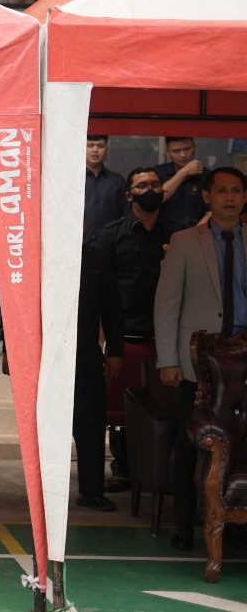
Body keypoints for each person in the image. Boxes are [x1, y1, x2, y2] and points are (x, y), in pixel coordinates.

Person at [154, 166, 247, 551]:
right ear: (207, 196)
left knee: (240, 443)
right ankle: (184, 523)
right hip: (197, 362)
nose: (230, 197)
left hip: (243, 361)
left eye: (236, 190)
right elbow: (166, 304)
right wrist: (167, 359)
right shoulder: (184, 241)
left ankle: (235, 523)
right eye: (222, 190)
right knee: (190, 441)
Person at [96, 167, 179, 492]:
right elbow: (101, 290)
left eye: (156, 184)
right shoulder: (112, 234)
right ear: (129, 194)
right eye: (143, 185)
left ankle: (159, 472)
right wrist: (103, 339)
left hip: (166, 339)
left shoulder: (178, 234)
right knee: (122, 409)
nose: (151, 189)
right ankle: (123, 470)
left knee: (164, 408)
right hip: (124, 336)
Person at [73, 245, 124, 512]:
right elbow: (17, 302)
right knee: (45, 427)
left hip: (86, 354)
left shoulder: (95, 259)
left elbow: (112, 308)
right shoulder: (38, 254)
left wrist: (115, 351)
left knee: (91, 424)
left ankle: (91, 492)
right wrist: (10, 347)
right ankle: (43, 491)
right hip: (46, 357)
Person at [156, 136, 209, 230]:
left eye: (187, 149)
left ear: (194, 147)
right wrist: (184, 172)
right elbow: (156, 198)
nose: (183, 155)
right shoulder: (158, 173)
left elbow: (211, 212)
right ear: (168, 152)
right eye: (176, 151)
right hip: (163, 232)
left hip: (197, 232)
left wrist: (194, 234)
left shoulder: (207, 176)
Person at [83, 135, 127, 247]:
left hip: (111, 245)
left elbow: (126, 215)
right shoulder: (74, 181)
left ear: (107, 149)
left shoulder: (117, 181)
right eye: (90, 145)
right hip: (79, 245)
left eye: (100, 146)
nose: (95, 150)